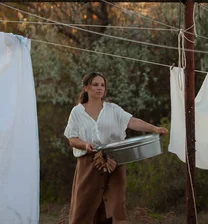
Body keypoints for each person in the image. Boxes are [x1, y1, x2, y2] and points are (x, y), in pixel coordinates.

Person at [64, 71, 168, 224]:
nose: (100, 88)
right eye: (95, 84)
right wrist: (85, 145)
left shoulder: (113, 109)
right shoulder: (77, 112)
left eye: (102, 85)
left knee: (114, 206)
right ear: (86, 88)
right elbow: (72, 139)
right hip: (88, 164)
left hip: (115, 163)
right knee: (84, 206)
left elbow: (132, 121)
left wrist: (155, 129)